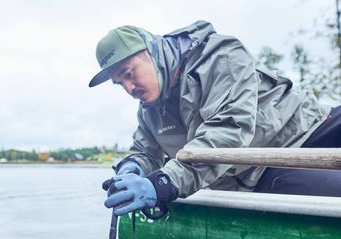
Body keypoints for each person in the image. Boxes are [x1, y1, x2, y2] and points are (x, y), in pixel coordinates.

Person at [89, 20, 341, 216]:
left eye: (129, 73)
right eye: (119, 83)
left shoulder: (219, 56)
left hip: (311, 129)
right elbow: (145, 151)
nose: (129, 88)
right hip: (264, 169)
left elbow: (228, 131)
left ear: (153, 52)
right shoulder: (149, 107)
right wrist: (133, 167)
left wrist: (164, 183)